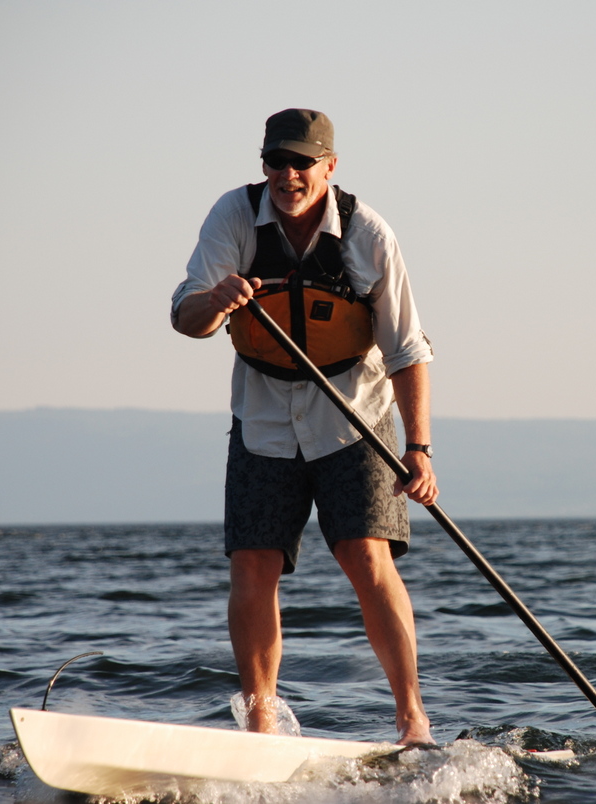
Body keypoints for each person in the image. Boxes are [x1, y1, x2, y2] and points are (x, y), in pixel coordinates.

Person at [170, 109, 437, 745]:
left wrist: (420, 449)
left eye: (302, 163)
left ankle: (412, 722)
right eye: (276, 162)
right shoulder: (233, 217)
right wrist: (217, 300)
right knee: (252, 565)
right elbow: (186, 314)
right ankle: (262, 721)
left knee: (365, 556)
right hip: (262, 417)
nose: (287, 175)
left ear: (329, 166)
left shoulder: (368, 232)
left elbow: (407, 350)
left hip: (355, 416)